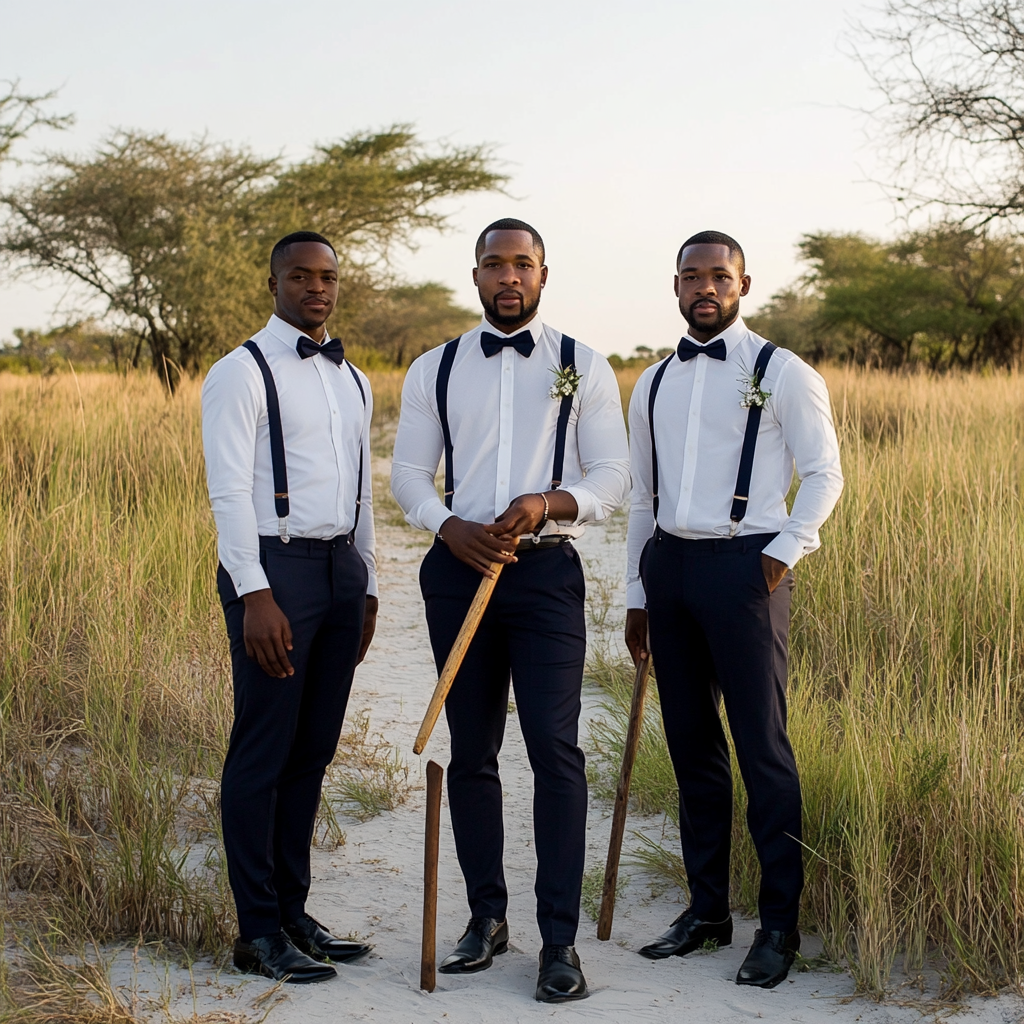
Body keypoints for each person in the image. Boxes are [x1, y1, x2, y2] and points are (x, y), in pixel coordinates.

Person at [391, 218, 629, 1002]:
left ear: (543, 274)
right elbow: (409, 476)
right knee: (472, 750)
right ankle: (486, 919)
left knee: (556, 752)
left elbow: (612, 478)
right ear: (476, 274)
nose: (508, 277)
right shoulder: (436, 367)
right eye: (494, 264)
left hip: (544, 574)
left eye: (521, 264)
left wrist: (549, 501)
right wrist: (447, 525)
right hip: (458, 572)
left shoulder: (582, 365)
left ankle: (558, 939)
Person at [625, 230, 843, 988]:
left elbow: (824, 474)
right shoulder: (652, 381)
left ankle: (778, 925)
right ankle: (707, 911)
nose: (705, 288)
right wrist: (635, 592)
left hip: (747, 566)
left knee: (763, 749)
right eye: (692, 276)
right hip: (671, 568)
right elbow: (642, 499)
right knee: (691, 748)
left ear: (745, 285)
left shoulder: (783, 372)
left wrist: (784, 552)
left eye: (720, 276)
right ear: (676, 285)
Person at [202, 231, 378, 984]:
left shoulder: (354, 378)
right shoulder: (239, 373)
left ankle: (293, 913)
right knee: (263, 750)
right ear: (271, 282)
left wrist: (367, 582)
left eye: (328, 276)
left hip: (339, 570)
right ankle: (256, 931)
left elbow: (360, 488)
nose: (316, 288)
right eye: (301, 276)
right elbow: (228, 490)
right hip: (274, 571)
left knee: (313, 751)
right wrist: (254, 591)